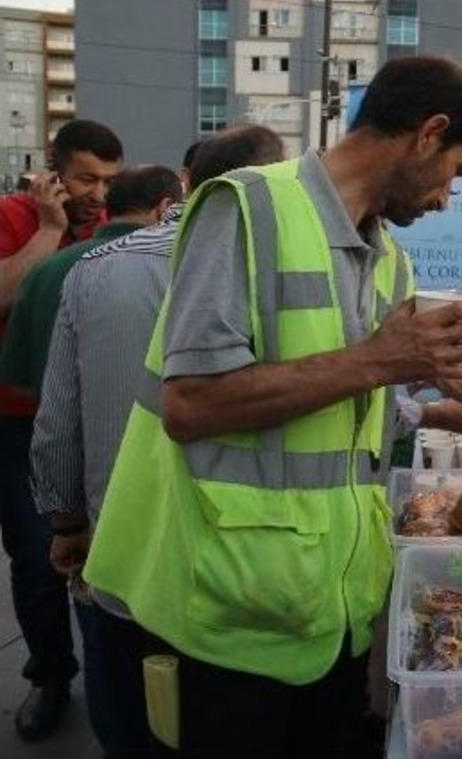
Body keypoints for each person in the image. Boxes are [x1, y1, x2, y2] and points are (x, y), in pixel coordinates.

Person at [81, 57, 462, 757]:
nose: (449, 198)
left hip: (328, 612)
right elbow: (190, 403)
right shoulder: (246, 206)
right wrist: (380, 358)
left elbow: (426, 368)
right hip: (229, 614)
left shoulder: (387, 258)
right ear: (427, 133)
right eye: (458, 169)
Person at [29, 128, 283, 756]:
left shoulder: (95, 272)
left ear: (190, 186)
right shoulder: (285, 274)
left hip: (122, 555)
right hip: (245, 566)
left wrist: (66, 521)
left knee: (126, 724)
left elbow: (59, 419)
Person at [0, 118, 122, 742]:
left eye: (108, 180)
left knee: (106, 549)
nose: (99, 192)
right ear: (51, 173)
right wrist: (50, 231)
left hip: (93, 414)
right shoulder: (14, 218)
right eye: (85, 178)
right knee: (34, 553)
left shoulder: (111, 229)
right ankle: (50, 674)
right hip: (18, 422)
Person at [1, 165, 182, 398]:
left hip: (39, 421)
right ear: (165, 209)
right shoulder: (178, 270)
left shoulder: (44, 269)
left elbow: (19, 379)